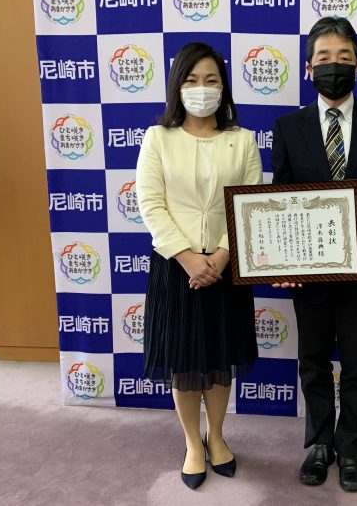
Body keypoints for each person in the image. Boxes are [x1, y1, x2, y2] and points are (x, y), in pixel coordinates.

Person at [270, 17, 357, 492]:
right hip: (309, 270)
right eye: (325, 58)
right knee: (312, 361)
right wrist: (282, 260)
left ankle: (350, 448)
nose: (335, 66)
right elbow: (280, 200)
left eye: (345, 58)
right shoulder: (287, 128)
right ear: (308, 68)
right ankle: (319, 445)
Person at [136, 42, 263, 490]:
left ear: (223, 87)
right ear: (177, 86)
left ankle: (217, 435)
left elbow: (249, 203)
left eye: (211, 80)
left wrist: (222, 256)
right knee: (185, 363)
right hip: (176, 267)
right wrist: (188, 258)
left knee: (221, 358)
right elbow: (150, 204)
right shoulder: (158, 138)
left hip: (226, 267)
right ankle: (193, 442)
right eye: (191, 80)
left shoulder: (242, 140)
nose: (201, 88)